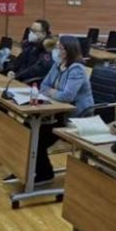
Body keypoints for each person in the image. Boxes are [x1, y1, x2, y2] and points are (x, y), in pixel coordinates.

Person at [34, 36, 93, 183]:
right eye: (57, 48)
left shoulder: (77, 69)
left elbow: (67, 96)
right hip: (57, 111)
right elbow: (43, 85)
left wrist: (51, 92)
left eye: (59, 48)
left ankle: (44, 173)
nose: (56, 51)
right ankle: (26, 168)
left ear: (68, 51)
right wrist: (54, 92)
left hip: (75, 116)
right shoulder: (57, 64)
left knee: (38, 137)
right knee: (28, 127)